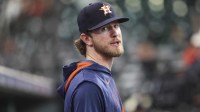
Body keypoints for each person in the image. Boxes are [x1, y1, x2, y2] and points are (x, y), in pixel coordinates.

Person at [57, 1, 129, 112]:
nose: (115, 33)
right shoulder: (89, 86)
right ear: (87, 39)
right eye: (104, 28)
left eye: (116, 25)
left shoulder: (101, 77)